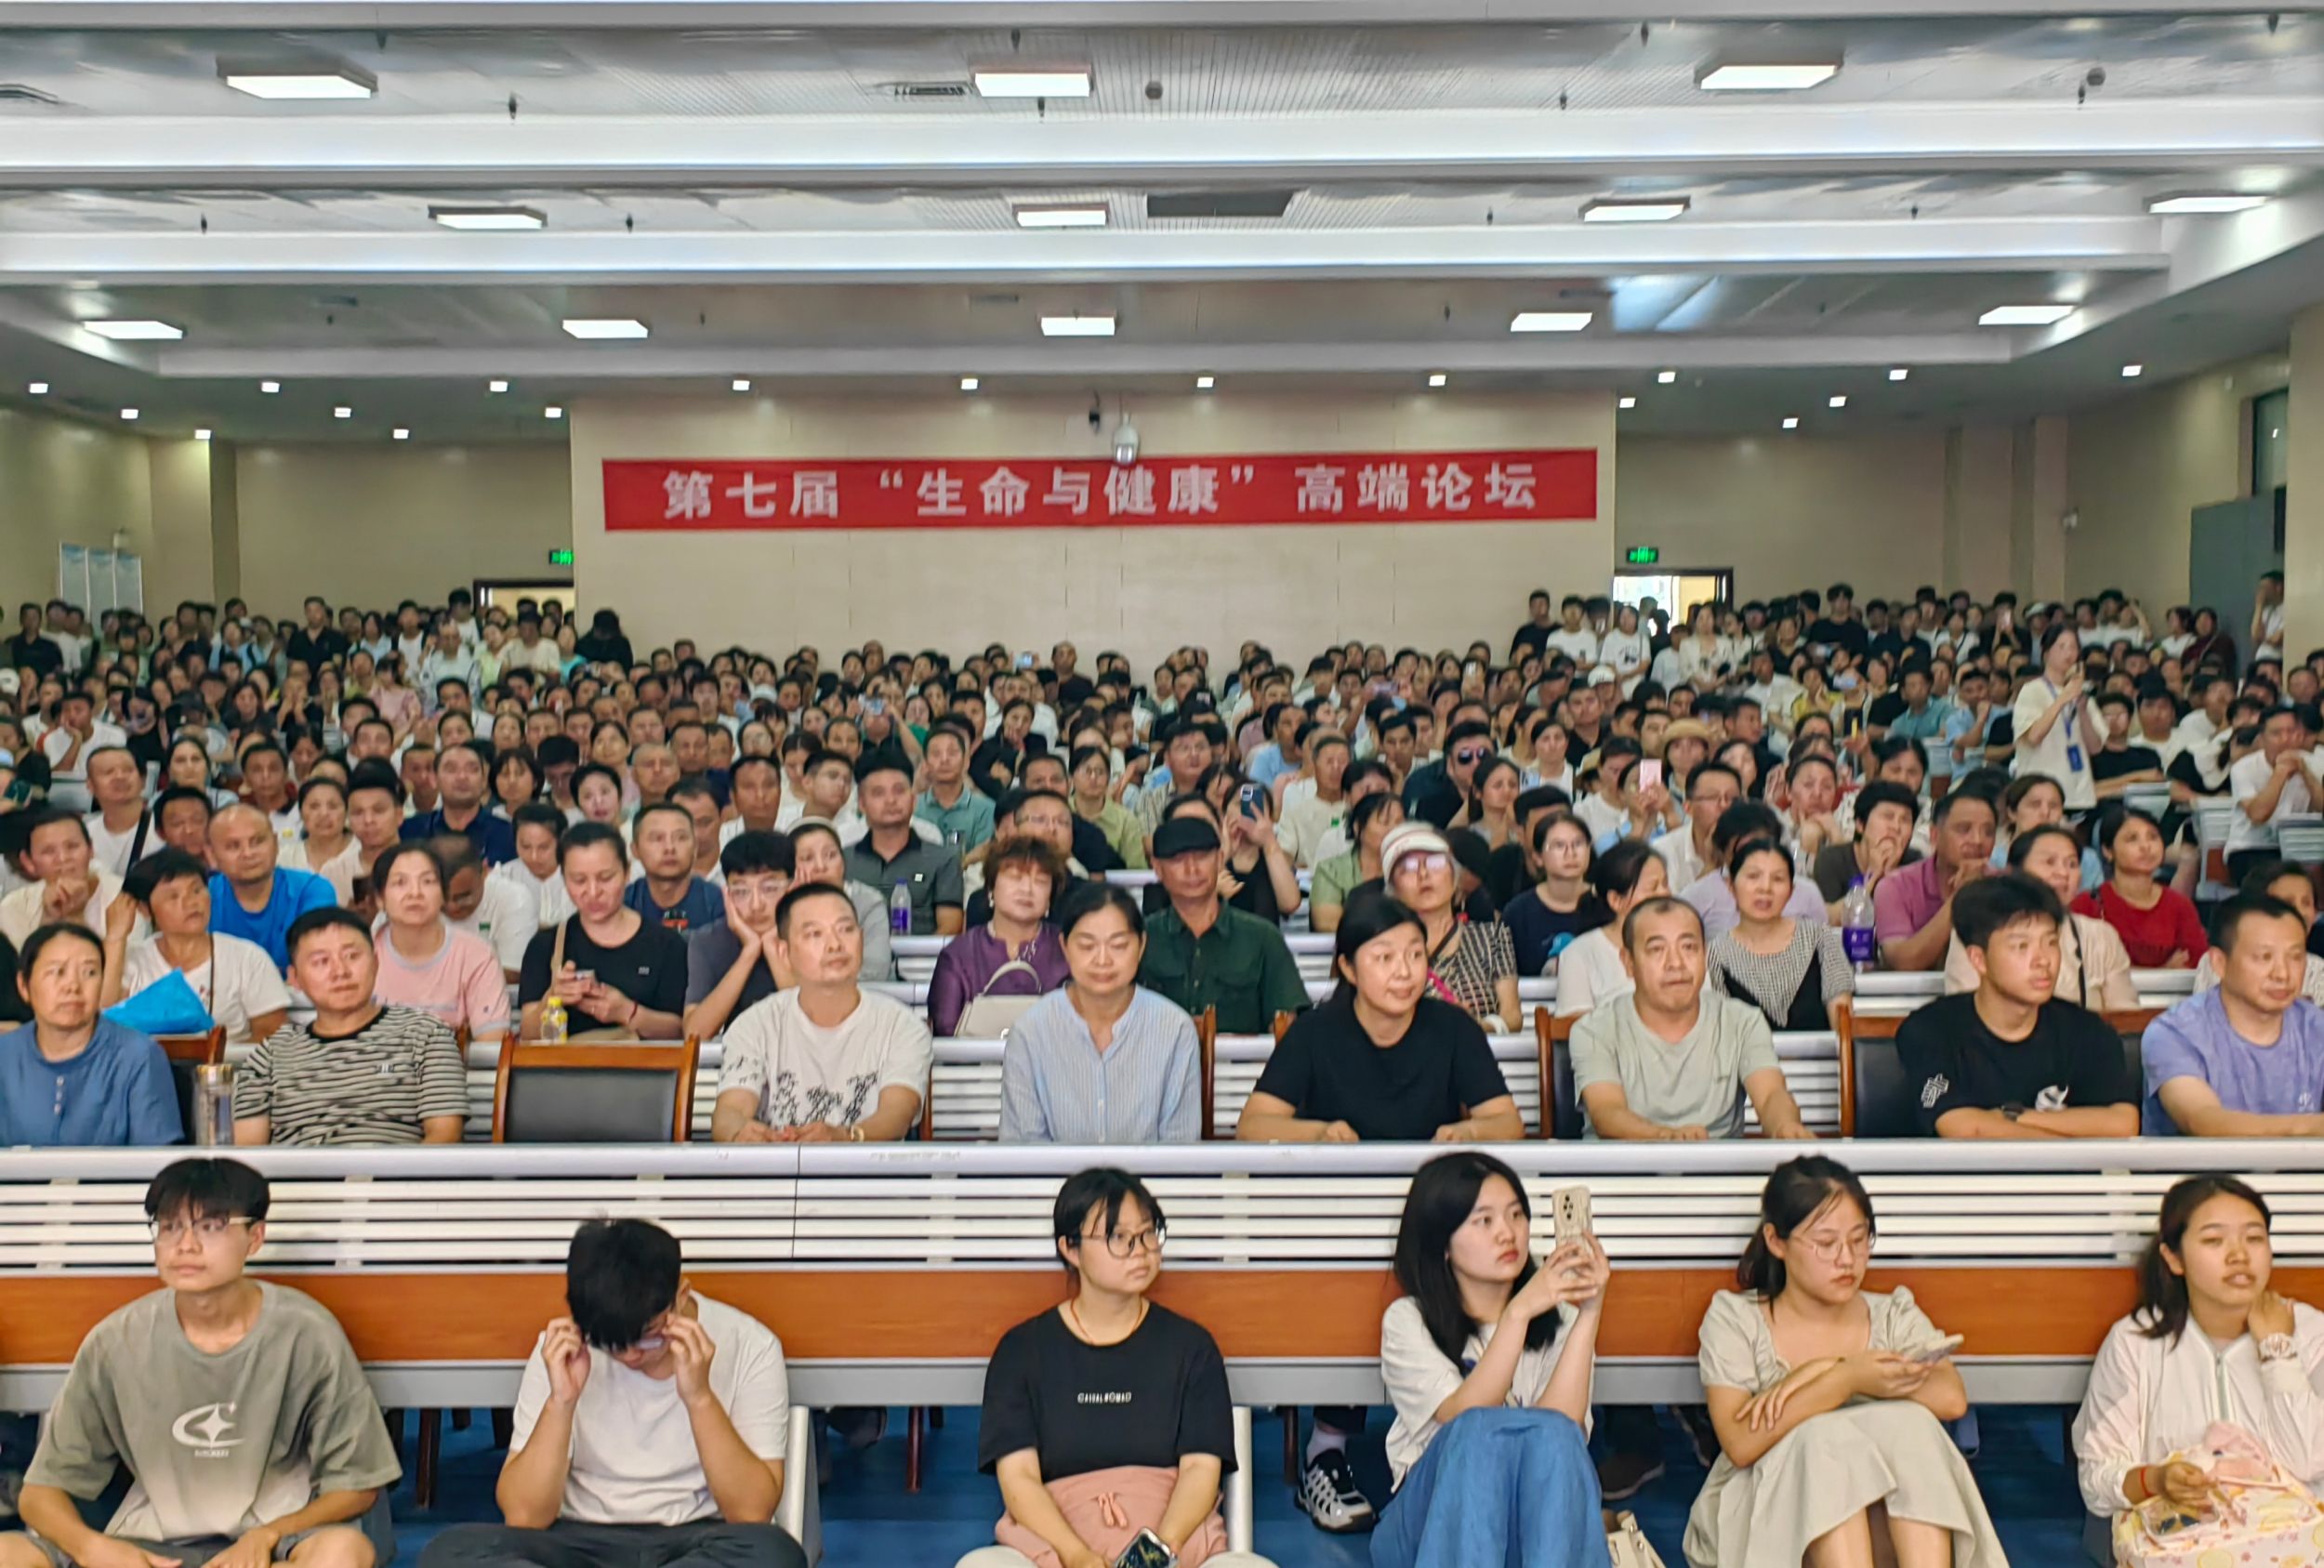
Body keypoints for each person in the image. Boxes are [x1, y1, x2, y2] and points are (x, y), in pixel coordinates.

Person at [0, 1157, 401, 1568]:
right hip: (148, 1548)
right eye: (169, 1226)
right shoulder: (115, 1340)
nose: (185, 1245)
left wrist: (270, 1534)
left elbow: (359, 1486)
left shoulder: (308, 1333)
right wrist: (93, 1548)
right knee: (7, 1553)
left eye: (210, 1226)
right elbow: (39, 1493)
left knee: (343, 1551)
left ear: (255, 1237)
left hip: (270, 1547)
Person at [418, 1219, 807, 1568]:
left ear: (681, 1295)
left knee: (772, 1554)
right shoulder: (563, 1349)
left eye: (648, 1336)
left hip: (697, 1538)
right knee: (450, 1553)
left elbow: (750, 1512)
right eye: (612, 1344)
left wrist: (700, 1398)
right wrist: (561, 1402)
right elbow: (524, 1516)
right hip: (574, 1539)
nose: (630, 1356)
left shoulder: (750, 1346)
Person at [1689, 1155, 2003, 1568]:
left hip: (1882, 1522)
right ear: (1776, 1241)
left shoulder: (1892, 1314)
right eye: (1825, 1244)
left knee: (1913, 1426)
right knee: (1826, 1441)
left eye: (1859, 1240)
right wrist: (1844, 1380)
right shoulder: (1735, 1319)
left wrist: (1833, 1370)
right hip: (1770, 1520)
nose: (1846, 1259)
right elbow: (1740, 1443)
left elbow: (1950, 1399)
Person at [965, 1169, 1272, 1568]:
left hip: (1173, 1549)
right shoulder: (1021, 1350)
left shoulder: (1192, 1347)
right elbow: (1019, 1478)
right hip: (1056, 1551)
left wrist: (1156, 1553)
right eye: (1118, 1238)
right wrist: (1078, 1556)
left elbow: (1201, 1468)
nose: (1140, 1250)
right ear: (1070, 1249)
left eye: (1148, 1234)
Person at [1370, 1151, 1608, 1568]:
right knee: (1478, 1430)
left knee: (1557, 1436)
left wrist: (1589, 1311)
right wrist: (1517, 1314)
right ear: (1442, 1244)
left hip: (1529, 1527)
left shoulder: (1562, 1319)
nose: (1507, 1233)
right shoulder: (1408, 1320)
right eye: (1484, 1221)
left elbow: (1562, 1430)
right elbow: (1463, 1416)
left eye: (1516, 1215)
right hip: (1428, 1528)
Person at [2074, 1175, 2324, 1528]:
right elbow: (2096, 1480)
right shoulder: (2135, 1342)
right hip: (2179, 1545)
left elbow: (2308, 1462)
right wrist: (2156, 1479)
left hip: (2297, 1545)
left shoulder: (2313, 1333)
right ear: (2174, 1259)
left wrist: (2278, 1352)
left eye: (2254, 1238)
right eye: (2214, 1240)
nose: (2239, 1255)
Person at [1237, 889, 1522, 1144]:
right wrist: (1320, 1134)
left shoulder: (1455, 1027)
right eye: (1385, 958)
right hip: (1337, 1181)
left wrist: (1468, 1132)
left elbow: (1507, 1122)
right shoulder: (1312, 1031)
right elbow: (1253, 1125)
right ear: (1348, 968)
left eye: (1415, 955)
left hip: (1431, 1180)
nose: (1404, 972)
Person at [1896, 875, 2139, 1139]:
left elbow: (2122, 1123)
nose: (2043, 960)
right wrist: (2068, 1145)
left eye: (2051, 942)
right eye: (2022, 946)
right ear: (1979, 959)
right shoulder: (1931, 1029)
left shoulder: (2087, 1030)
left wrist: (2010, 1115)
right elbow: (1961, 1127)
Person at [1572, 896, 1812, 1141]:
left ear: (1705, 955)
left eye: (1688, 947)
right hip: (1623, 1163)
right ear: (1628, 962)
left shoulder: (1742, 1021)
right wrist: (1668, 1137)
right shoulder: (1595, 1030)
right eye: (1657, 950)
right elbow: (1607, 1112)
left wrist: (1785, 1126)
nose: (1675, 963)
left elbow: (1771, 1094)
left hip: (1719, 1160)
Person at [709, 882, 931, 1143]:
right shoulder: (754, 1025)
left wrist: (845, 1137)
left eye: (846, 929)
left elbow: (896, 1115)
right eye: (815, 934)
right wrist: (740, 1132)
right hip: (776, 1166)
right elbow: (730, 1111)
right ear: (784, 953)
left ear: (861, 939)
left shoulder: (902, 1026)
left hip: (866, 1168)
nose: (835, 944)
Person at [233, 907, 468, 1145]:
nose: (340, 972)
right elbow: (248, 1153)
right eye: (321, 962)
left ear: (376, 963)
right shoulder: (269, 1057)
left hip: (397, 1168)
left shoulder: (425, 1035)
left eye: (352, 956)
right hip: (298, 1170)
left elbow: (445, 1136)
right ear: (295, 978)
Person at [999, 884, 1204, 1144]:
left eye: (1118, 945)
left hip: (1152, 1174)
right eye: (1087, 946)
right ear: (1064, 947)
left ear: (1141, 946)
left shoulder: (1175, 1030)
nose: (1103, 960)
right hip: (1052, 1174)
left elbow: (1180, 1146)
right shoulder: (1030, 1032)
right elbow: (1024, 1148)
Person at [2142, 891, 2324, 1136]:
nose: (2282, 974)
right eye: (2264, 957)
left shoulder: (2316, 1027)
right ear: (2219, 963)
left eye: (2296, 957)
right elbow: (2203, 1122)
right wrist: (2309, 1128)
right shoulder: (2173, 1033)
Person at [0, 922, 178, 1146]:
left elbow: (157, 1158)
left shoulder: (139, 1056)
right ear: (23, 986)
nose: (72, 986)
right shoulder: (5, 1055)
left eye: (89, 973)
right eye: (57, 972)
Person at [1137, 817, 1309, 1036]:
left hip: (1246, 1059)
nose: (1192, 869)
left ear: (1219, 860)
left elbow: (1286, 1023)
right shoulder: (1140, 938)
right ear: (1157, 868)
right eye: (1178, 860)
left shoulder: (1262, 937)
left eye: (1202, 857)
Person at [103, 849, 292, 1046]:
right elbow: (102, 1022)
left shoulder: (248, 958)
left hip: (232, 1063)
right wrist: (116, 938)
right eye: (173, 896)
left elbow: (273, 1033)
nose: (191, 902)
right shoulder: (131, 960)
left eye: (197, 890)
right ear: (144, 909)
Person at [517, 824, 689, 1040]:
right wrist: (552, 998)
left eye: (606, 878)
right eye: (579, 880)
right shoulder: (545, 946)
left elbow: (680, 1030)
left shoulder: (666, 945)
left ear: (627, 873)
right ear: (564, 879)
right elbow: (527, 1034)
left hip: (644, 1062)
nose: (593, 892)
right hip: (567, 1062)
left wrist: (627, 1012)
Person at [1944, 824, 2138, 1008]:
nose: (2063, 873)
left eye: (2072, 864)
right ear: (2014, 871)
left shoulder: (2101, 936)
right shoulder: (1978, 928)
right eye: (2049, 862)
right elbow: (1965, 1011)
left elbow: (2125, 1016)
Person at [1382, 821, 1518, 1033]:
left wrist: (1475, 1026)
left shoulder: (1492, 937)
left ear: (1455, 877)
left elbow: (1512, 1016)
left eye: (1435, 863)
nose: (1423, 874)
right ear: (1393, 889)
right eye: (1409, 867)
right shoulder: (1379, 947)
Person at [369, 841, 511, 1042]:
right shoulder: (362, 954)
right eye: (400, 883)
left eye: (427, 881)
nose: (415, 893)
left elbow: (492, 1044)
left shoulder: (476, 956)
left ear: (444, 894)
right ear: (379, 898)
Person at [1709, 837, 1854, 1033]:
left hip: (1822, 1054)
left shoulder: (1819, 938)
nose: (1765, 888)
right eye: (1753, 877)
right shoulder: (1715, 954)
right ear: (1731, 886)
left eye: (1778, 879)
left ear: (1791, 891)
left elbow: (1843, 1026)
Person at [929, 835, 1069, 1035]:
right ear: (991, 888)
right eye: (1015, 877)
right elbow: (944, 1033)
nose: (1027, 889)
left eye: (1040, 881)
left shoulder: (1068, 951)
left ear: (1050, 899)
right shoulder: (958, 955)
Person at [683, 829, 793, 1042]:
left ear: (792, 888)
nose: (756, 905)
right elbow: (695, 1035)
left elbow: (819, 1025)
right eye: (741, 892)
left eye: (769, 889)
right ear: (727, 895)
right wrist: (749, 952)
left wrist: (771, 949)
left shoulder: (815, 935)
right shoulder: (707, 941)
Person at [1871, 788, 1996, 972]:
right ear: (1934, 835)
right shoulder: (1894, 886)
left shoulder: (2007, 887)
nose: (1978, 840)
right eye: (1964, 829)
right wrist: (1961, 897)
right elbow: (1903, 962)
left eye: (1988, 832)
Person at [1551, 838, 1671, 1020]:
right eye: (1653, 888)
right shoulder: (1579, 954)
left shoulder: (1685, 945)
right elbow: (1576, 1028)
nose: (1665, 894)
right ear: (1616, 900)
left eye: (1665, 884)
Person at [207, 804, 337, 971]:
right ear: (212, 855)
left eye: (258, 841)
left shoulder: (312, 890)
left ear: (276, 844)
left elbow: (316, 961)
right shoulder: (203, 898)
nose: (248, 853)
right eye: (233, 846)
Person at [845, 756, 965, 935]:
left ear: (913, 800)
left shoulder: (943, 860)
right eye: (878, 793)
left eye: (899, 791)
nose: (890, 800)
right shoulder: (843, 861)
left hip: (924, 952)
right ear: (862, 804)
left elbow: (950, 926)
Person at [2075, 806, 2205, 968]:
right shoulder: (2086, 905)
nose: (2145, 846)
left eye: (2153, 837)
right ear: (2108, 851)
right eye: (2132, 839)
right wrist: (2161, 971)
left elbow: (2195, 962)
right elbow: (2082, 966)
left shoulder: (2180, 905)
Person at [2195, 861, 2324, 1007]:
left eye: (2306, 903)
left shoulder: (2318, 969)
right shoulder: (2221, 960)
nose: (2299, 912)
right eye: (2287, 903)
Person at [0, 807, 130, 948]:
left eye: (72, 846)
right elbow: (19, 961)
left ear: (91, 849)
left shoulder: (125, 897)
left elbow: (121, 960)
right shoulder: (13, 908)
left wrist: (76, 917)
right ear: (28, 862)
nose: (63, 858)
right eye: (48, 851)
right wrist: (49, 919)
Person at [788, 820, 896, 983]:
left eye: (830, 855)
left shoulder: (868, 901)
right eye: (807, 858)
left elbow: (875, 971)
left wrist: (821, 986)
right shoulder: (784, 905)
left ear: (843, 862)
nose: (821, 866)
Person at [1500, 812, 1606, 977]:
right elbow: (1505, 976)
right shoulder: (1518, 912)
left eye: (1578, 844)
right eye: (1559, 845)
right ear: (1538, 857)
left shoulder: (1607, 902)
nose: (1570, 853)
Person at [2014, 622, 2105, 811]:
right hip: (2040, 794)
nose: (2069, 653)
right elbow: (2033, 737)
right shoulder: (2032, 690)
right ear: (2046, 653)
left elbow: (2095, 748)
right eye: (2061, 646)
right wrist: (2063, 698)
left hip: (2080, 794)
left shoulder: (2083, 694)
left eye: (2073, 647)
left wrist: (2082, 710)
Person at [2227, 704, 2321, 885]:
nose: (2286, 739)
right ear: (2262, 738)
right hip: (2253, 848)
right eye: (2277, 733)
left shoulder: (2316, 763)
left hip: (2301, 847)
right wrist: (2280, 773)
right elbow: (2257, 815)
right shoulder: (2243, 768)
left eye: (2291, 732)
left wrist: (2307, 774)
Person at [1808, 779, 1921, 917]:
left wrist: (1891, 877)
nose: (1896, 827)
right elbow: (1826, 919)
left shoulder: (1916, 864)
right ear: (1860, 824)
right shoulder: (1831, 860)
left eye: (1905, 820)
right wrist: (1873, 877)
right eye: (1888, 817)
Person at [402, 740, 518, 865]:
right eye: (451, 770)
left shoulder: (508, 835)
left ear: (484, 780)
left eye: (472, 769)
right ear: (435, 779)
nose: (462, 777)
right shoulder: (410, 831)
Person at [624, 801, 727, 932]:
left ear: (695, 848)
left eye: (681, 838)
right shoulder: (623, 903)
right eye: (657, 838)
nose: (669, 847)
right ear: (635, 850)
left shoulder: (719, 903)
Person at [1312, 791, 1403, 935]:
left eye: (1400, 823)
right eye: (1385, 822)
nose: (1394, 830)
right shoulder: (1331, 870)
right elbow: (1327, 924)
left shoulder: (1411, 868)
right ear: (1358, 827)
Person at [280, 776, 361, 904]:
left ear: (346, 811)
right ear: (300, 813)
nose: (324, 813)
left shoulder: (361, 854)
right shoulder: (284, 858)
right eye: (314, 806)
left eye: (333, 806)